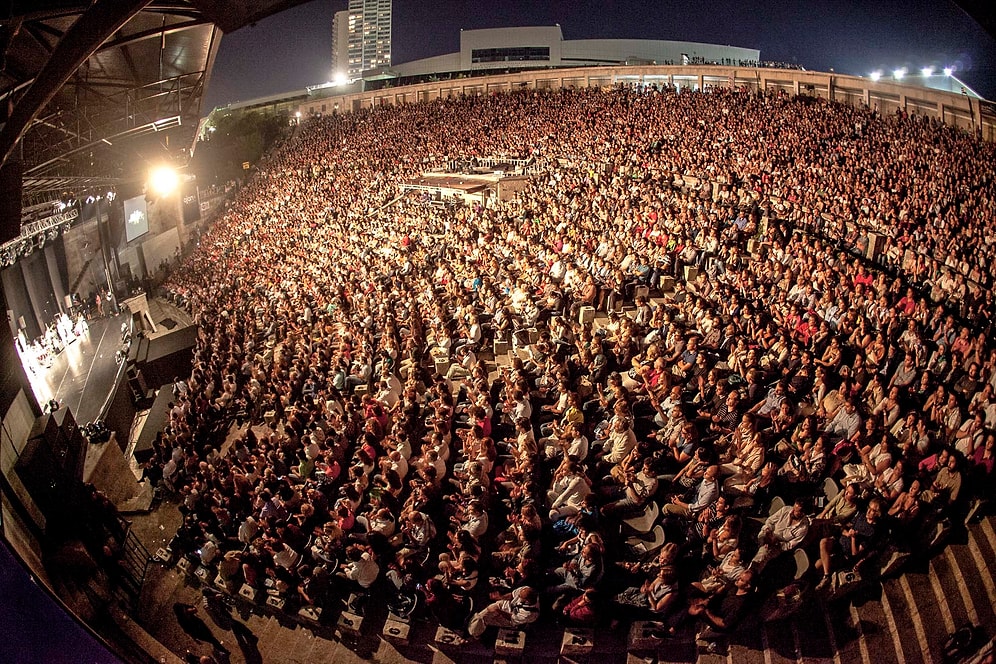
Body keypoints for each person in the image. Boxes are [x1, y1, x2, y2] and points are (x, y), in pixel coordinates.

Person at [467, 585, 540, 638]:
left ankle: (474, 633)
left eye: (520, 597)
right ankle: (473, 626)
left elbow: (511, 618)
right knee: (484, 614)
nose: (518, 596)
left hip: (511, 620)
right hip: (508, 605)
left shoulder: (529, 614)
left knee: (486, 619)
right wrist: (500, 598)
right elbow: (512, 595)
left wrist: (497, 610)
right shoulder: (525, 589)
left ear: (527, 601)